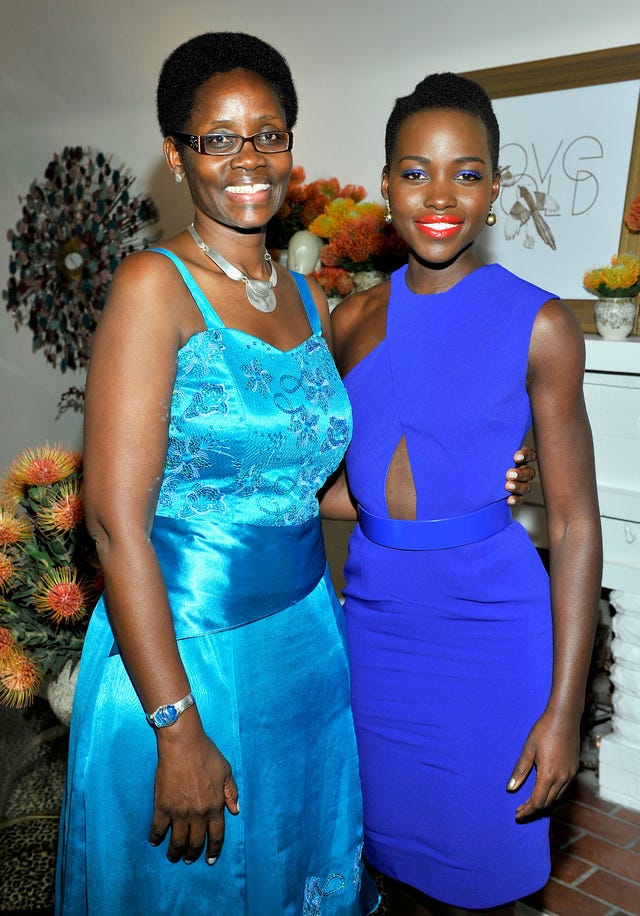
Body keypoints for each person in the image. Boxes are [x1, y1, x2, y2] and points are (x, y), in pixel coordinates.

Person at [55, 33, 536, 914]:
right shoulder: (152, 288)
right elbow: (114, 527)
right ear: (177, 155)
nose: (248, 158)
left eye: (268, 134)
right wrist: (176, 728)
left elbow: (311, 489)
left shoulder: (313, 300)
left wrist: (471, 481)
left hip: (310, 649)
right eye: (218, 138)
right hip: (188, 660)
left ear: (290, 146)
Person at [328, 73, 602, 915]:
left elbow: (574, 523)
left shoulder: (541, 324)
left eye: (467, 173)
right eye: (416, 173)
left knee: (483, 887)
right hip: (377, 630)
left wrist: (564, 712)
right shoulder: (348, 321)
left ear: (495, 187)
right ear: (385, 185)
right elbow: (342, 488)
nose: (441, 196)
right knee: (390, 875)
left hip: (492, 633)